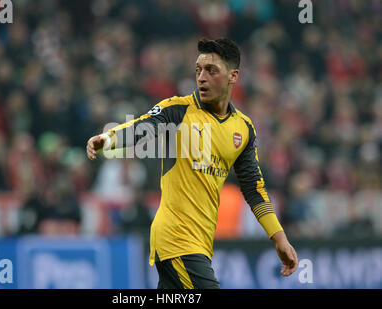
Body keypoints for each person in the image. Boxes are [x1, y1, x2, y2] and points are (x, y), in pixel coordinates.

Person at [86, 38, 298, 289]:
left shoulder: (243, 128)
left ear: (233, 76)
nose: (202, 77)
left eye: (211, 70)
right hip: (176, 240)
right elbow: (142, 126)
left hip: (201, 244)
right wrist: (109, 138)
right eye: (198, 70)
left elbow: (254, 189)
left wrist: (279, 238)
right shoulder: (178, 110)